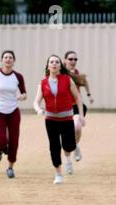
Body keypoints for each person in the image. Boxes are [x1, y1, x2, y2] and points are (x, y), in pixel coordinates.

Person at [33, 54, 85, 184]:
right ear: (48, 65)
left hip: (67, 118)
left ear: (60, 65)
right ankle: (58, 174)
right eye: (52, 62)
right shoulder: (43, 83)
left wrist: (82, 116)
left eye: (57, 62)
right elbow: (36, 101)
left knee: (69, 146)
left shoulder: (67, 80)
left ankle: (75, 146)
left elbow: (78, 98)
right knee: (54, 147)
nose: (54, 64)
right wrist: (39, 110)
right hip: (51, 120)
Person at [0, 50, 27, 179]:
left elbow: (25, 93)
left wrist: (21, 96)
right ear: (2, 60)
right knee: (1, 140)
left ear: (14, 61)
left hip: (13, 112)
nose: (8, 59)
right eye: (5, 57)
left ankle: (10, 167)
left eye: (10, 57)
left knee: (14, 141)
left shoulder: (18, 76)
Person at [63, 50, 93, 168]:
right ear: (65, 60)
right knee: (66, 135)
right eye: (70, 59)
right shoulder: (60, 72)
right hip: (63, 108)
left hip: (76, 106)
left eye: (75, 59)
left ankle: (75, 146)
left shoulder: (75, 72)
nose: (73, 61)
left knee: (77, 127)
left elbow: (84, 81)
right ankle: (68, 161)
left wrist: (89, 95)